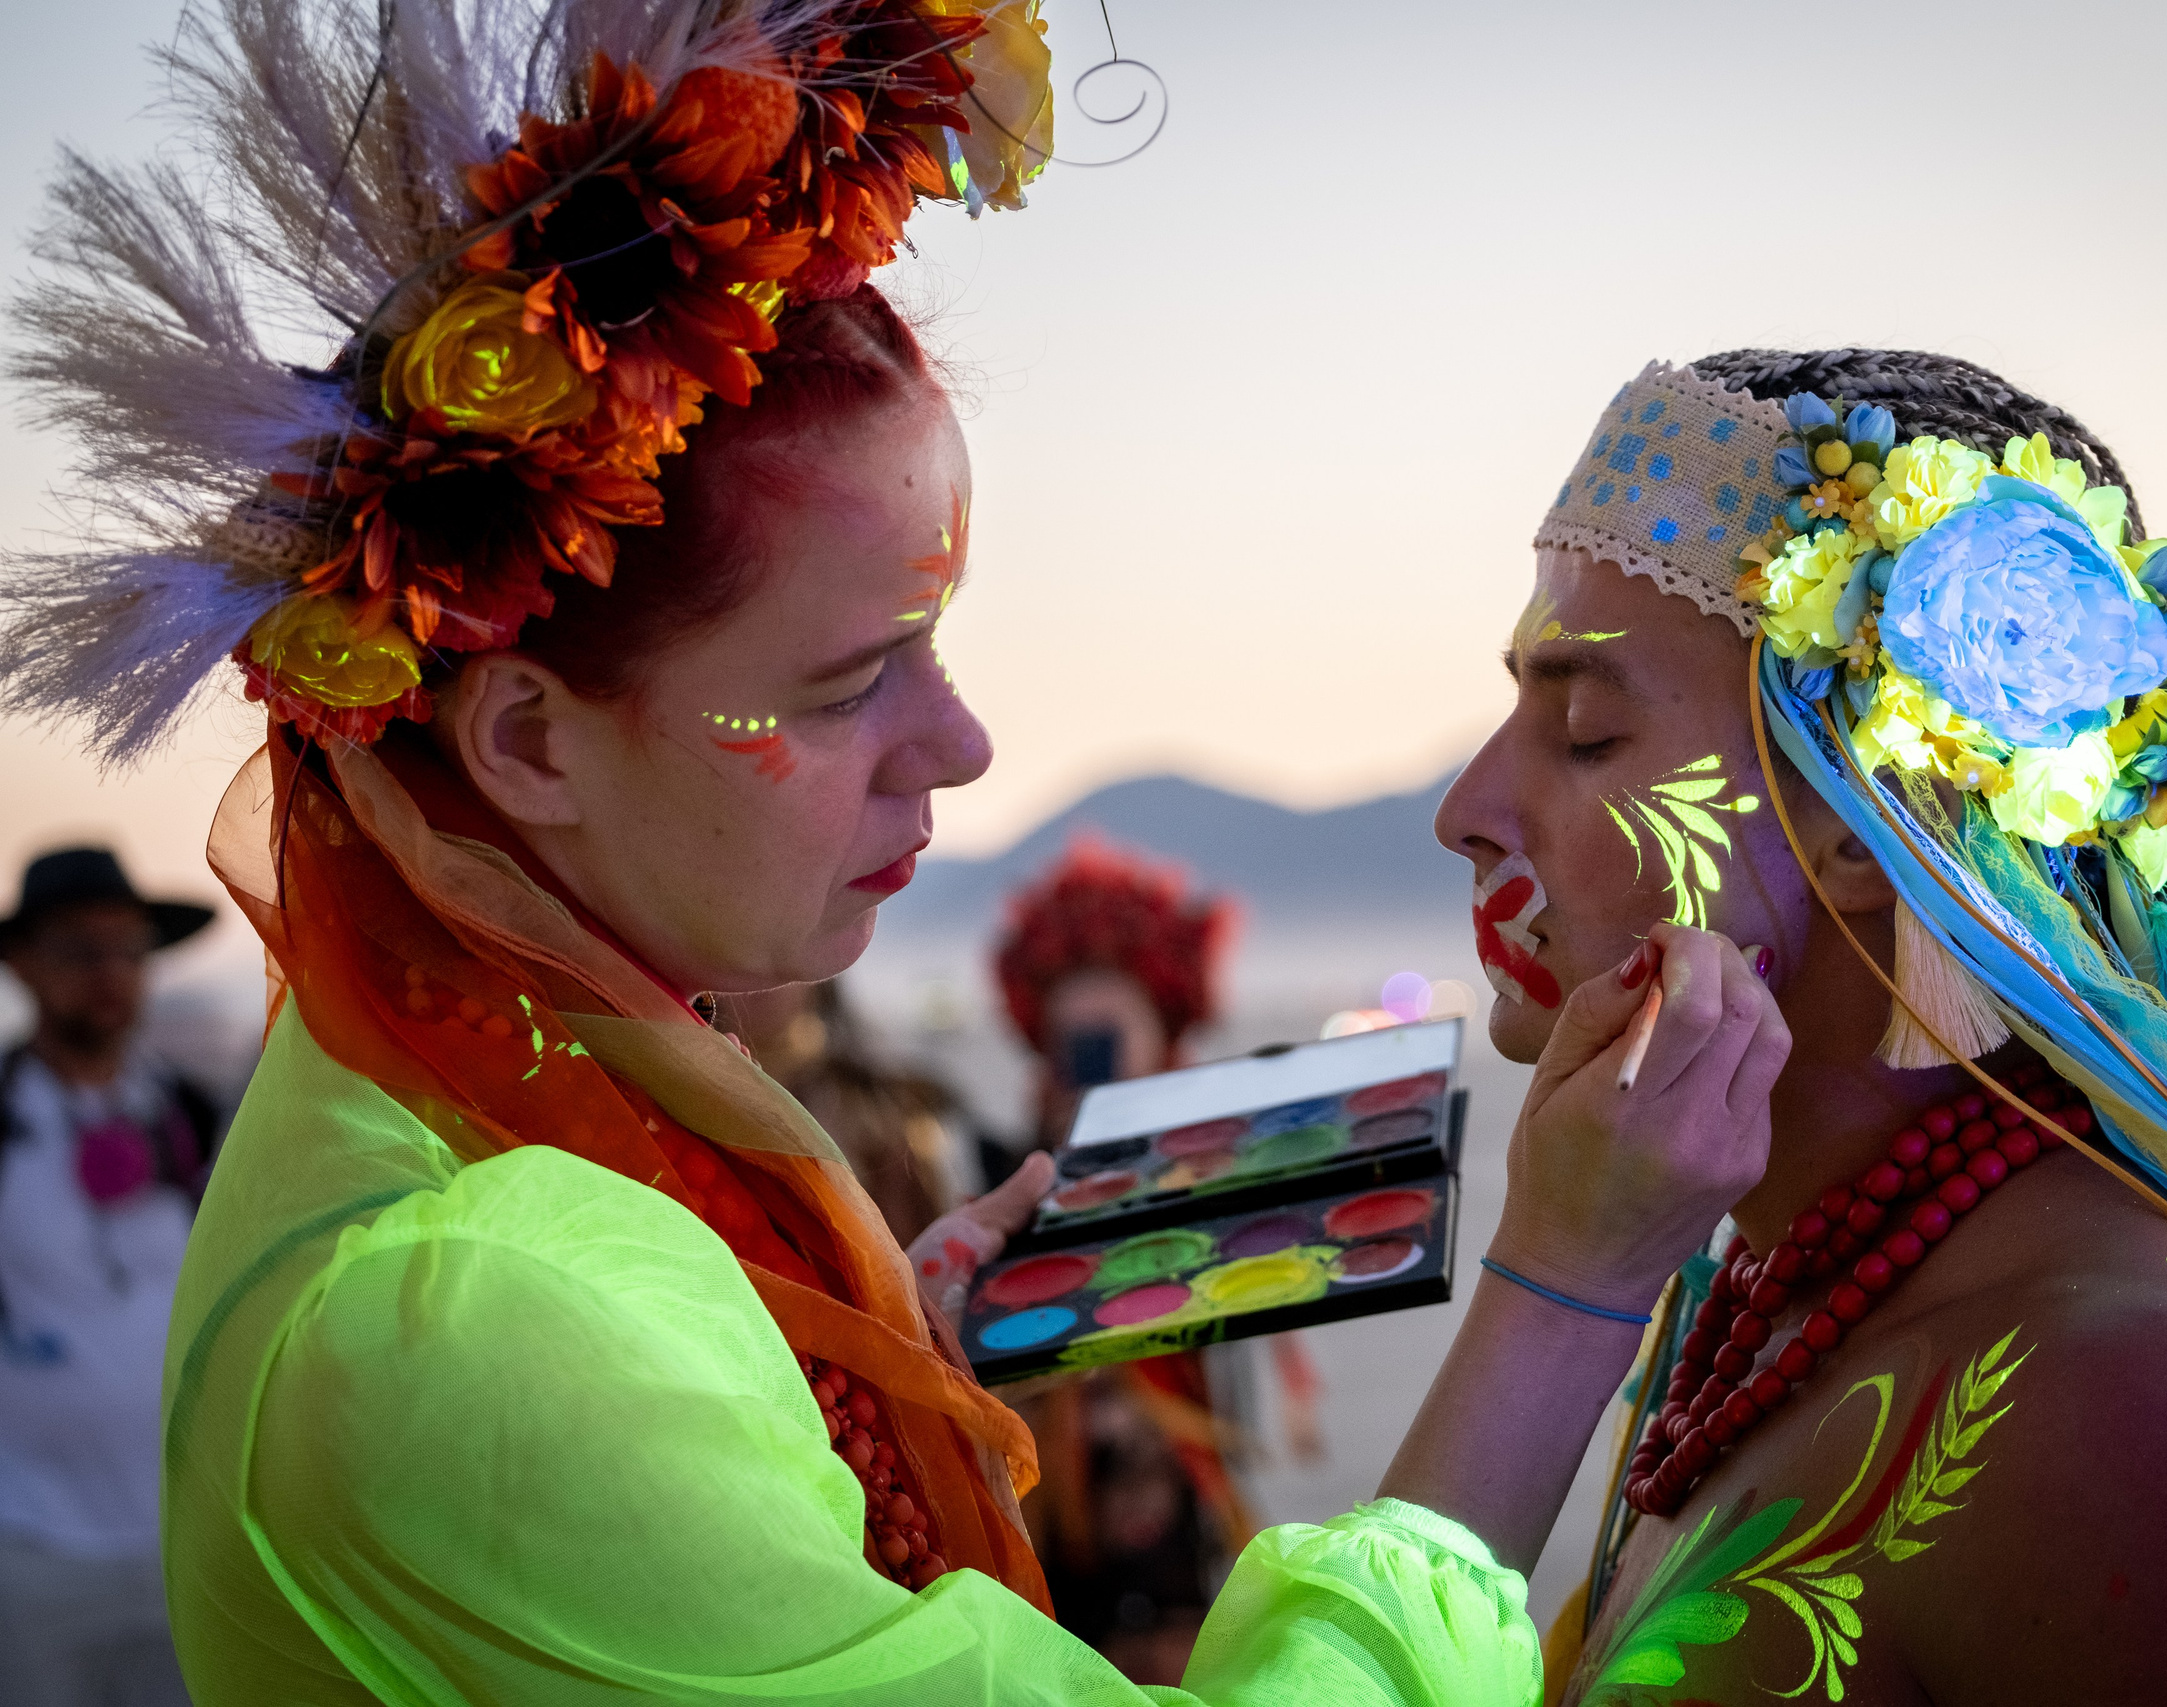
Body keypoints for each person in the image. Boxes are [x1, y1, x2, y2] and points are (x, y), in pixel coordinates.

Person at [0, 6, 1786, 1701]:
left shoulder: (503, 1114)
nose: (965, 746)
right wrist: (1566, 1296)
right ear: (530, 740)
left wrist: (838, 1384)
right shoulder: (478, 1312)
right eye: (852, 682)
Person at [1435, 352, 2167, 1704]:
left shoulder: (2134, 1403)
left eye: (1583, 730)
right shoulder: (1742, 1289)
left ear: (1874, 807)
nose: (1466, 805)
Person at [989, 838, 1325, 1683]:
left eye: (1106, 1040)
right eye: (1072, 1042)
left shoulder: (1206, 1187)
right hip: (1057, 1573)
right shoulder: (1004, 1187)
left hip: (1181, 1564)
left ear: (1165, 1042)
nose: (1087, 1062)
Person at [0, 847, 225, 1706]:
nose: (109, 974)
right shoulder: (5, 1123)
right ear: (22, 963)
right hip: (31, 1552)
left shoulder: (194, 1117)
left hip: (182, 1539)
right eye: (78, 949)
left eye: (127, 949)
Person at [727, 979, 980, 1249]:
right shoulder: (686, 1095)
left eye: (779, 945)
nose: (760, 980)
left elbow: (919, 1253)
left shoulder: (882, 1109)